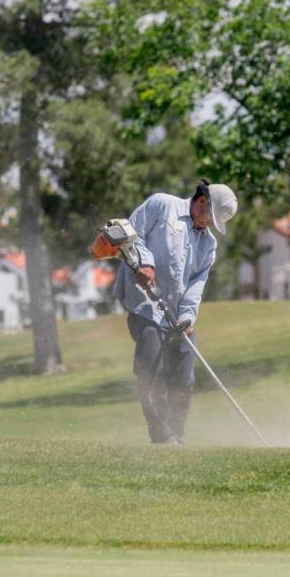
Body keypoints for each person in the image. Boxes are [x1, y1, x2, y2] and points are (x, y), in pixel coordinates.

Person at [112, 179, 238, 444]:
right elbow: (130, 233)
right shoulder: (162, 205)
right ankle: (161, 435)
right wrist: (144, 263)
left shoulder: (209, 244)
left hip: (177, 317)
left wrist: (188, 315)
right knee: (151, 372)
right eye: (212, 217)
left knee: (184, 377)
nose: (212, 224)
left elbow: (197, 282)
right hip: (145, 306)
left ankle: (177, 436)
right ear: (203, 201)